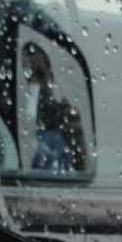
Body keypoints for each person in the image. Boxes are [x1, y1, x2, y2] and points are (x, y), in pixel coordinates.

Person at [21, 43, 87, 172]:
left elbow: (83, 170)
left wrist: (77, 139)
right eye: (27, 76)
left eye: (39, 74)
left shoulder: (64, 116)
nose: (34, 83)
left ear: (50, 77)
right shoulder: (18, 123)